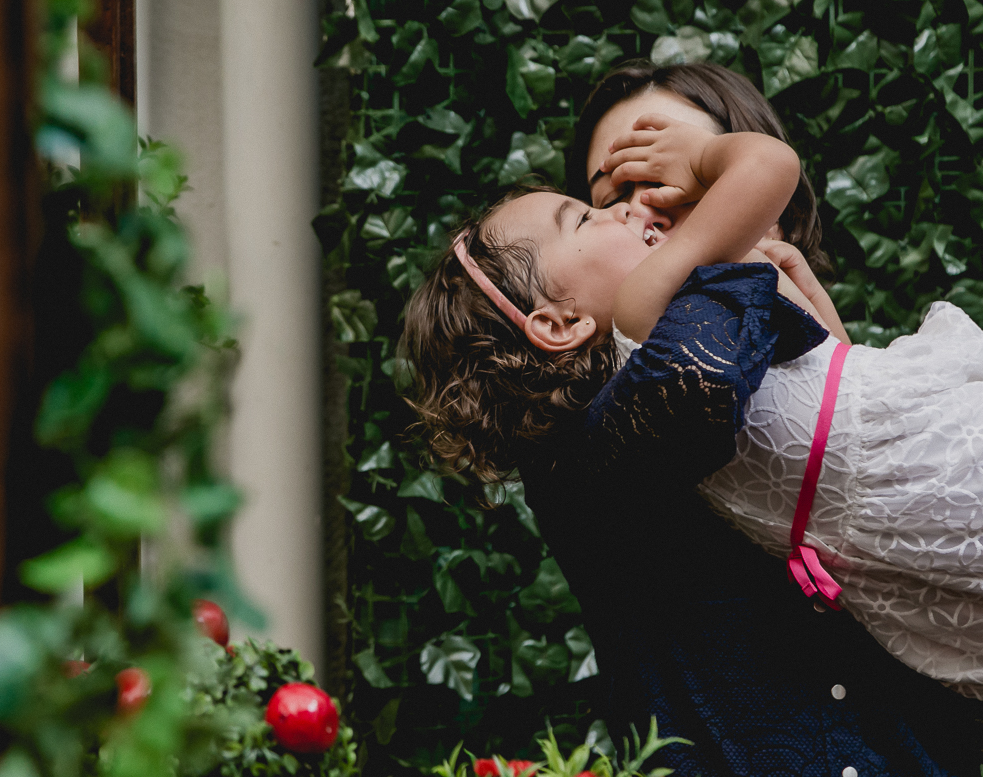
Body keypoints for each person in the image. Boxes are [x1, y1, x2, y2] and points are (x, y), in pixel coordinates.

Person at [402, 62, 983, 774]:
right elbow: (696, 378)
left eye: (678, 175)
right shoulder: (593, 428)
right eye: (611, 194)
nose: (642, 209)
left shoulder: (814, 371)